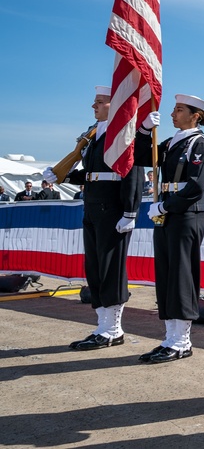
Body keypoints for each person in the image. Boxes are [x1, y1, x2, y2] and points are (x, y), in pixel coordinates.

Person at [44, 85, 142, 351]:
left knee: (111, 268)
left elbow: (133, 173)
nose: (94, 106)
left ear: (115, 104)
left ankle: (113, 329)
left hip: (113, 209)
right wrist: (62, 175)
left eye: (100, 102)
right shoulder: (92, 133)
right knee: (95, 268)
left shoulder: (123, 134)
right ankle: (103, 325)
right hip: (92, 206)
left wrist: (130, 212)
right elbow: (91, 172)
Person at [134, 94, 204, 363]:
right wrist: (144, 131)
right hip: (167, 212)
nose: (172, 114)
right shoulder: (171, 143)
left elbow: (195, 187)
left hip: (185, 214)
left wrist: (167, 207)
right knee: (166, 275)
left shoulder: (199, 144)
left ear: (195, 115)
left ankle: (182, 341)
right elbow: (141, 156)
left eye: (179, 110)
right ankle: (170, 338)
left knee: (181, 276)